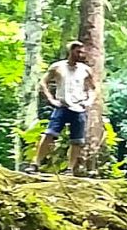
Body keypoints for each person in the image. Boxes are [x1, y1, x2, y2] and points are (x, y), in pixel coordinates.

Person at [25, 40, 95, 175]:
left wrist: (89, 101)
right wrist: (51, 99)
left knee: (77, 140)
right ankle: (35, 164)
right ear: (71, 51)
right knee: (49, 134)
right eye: (78, 51)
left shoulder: (85, 70)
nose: (81, 54)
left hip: (79, 108)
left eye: (82, 52)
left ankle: (70, 169)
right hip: (62, 106)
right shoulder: (57, 67)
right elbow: (43, 82)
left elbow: (94, 88)